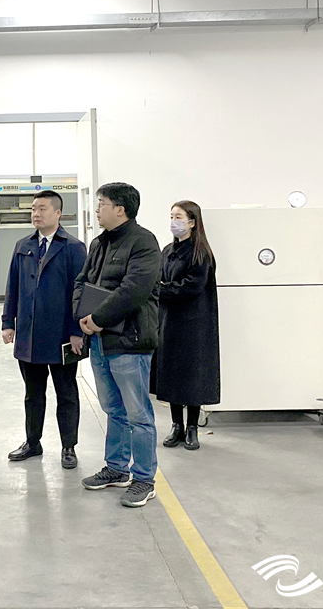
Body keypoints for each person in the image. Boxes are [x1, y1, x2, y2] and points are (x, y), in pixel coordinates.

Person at [72, 182, 161, 508]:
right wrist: (82, 317)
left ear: (120, 209)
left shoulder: (144, 242)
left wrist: (98, 319)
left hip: (130, 342)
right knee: (113, 410)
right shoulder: (99, 243)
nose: (97, 210)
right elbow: (82, 282)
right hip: (100, 341)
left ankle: (144, 479)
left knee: (139, 414)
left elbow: (133, 290)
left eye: (102, 204)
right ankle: (117, 468)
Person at [1, 190, 87, 469]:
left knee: (66, 392)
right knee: (33, 394)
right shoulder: (23, 246)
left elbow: (80, 292)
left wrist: (77, 331)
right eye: (34, 209)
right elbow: (13, 286)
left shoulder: (73, 247)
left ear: (58, 213)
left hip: (62, 335)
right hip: (29, 334)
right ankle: (32, 442)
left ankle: (68, 446)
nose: (36, 214)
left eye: (42, 209)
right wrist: (7, 322)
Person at [152, 201, 220, 451]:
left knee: (193, 375)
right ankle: (176, 426)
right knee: (171, 373)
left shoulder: (201, 254)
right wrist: (161, 288)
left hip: (194, 324)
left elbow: (191, 287)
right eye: (172, 216)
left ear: (192, 222)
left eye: (179, 217)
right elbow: (159, 278)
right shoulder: (168, 250)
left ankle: (192, 427)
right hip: (169, 321)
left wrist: (161, 290)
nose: (174, 222)